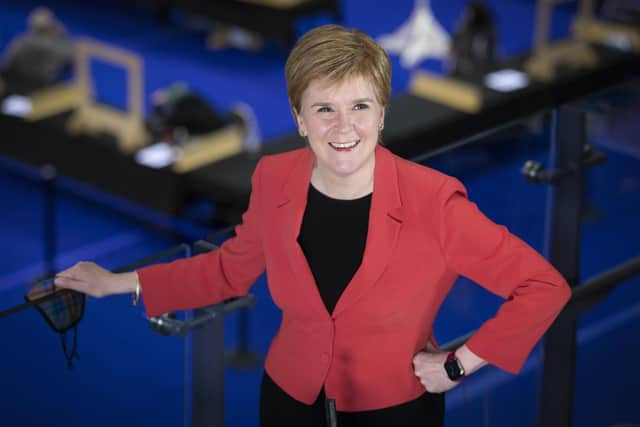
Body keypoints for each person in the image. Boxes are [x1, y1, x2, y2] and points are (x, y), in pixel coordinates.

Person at [54, 24, 571, 427]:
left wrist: (458, 365)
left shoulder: (435, 203)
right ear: (300, 118)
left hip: (395, 413)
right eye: (324, 108)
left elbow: (543, 287)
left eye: (360, 106)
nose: (343, 127)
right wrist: (118, 283)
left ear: (383, 114)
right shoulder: (274, 179)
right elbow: (229, 272)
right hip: (287, 404)